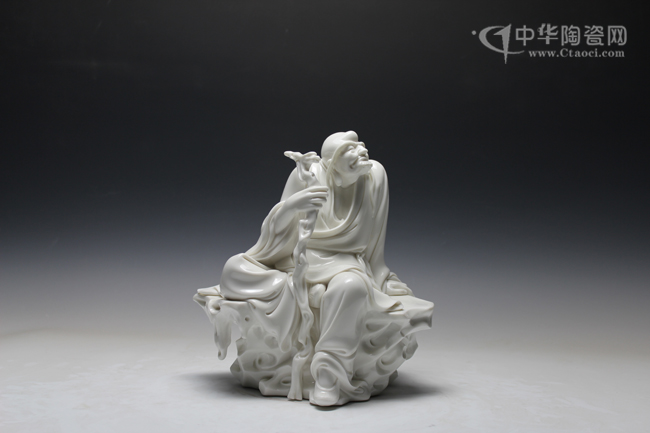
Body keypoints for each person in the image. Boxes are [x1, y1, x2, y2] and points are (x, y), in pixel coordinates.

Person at [199, 131, 432, 406]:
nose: (361, 151)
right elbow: (273, 238)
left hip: (345, 263)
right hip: (297, 260)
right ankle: (288, 295)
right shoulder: (305, 175)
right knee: (233, 268)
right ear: (330, 164)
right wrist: (292, 207)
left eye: (360, 145)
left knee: (351, 287)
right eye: (350, 149)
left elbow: (374, 247)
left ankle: (328, 374)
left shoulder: (375, 177)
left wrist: (380, 279)